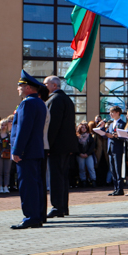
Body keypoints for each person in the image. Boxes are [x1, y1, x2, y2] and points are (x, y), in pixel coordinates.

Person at [10, 71, 48, 229]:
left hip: (26, 152)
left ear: (28, 88)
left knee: (27, 185)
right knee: (37, 184)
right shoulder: (39, 103)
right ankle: (38, 216)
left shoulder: (27, 103)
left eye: (20, 86)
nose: (18, 89)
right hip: (36, 150)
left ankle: (31, 217)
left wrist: (17, 150)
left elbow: (23, 130)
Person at [44, 76, 79, 218]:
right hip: (66, 146)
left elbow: (53, 125)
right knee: (62, 177)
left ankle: (57, 206)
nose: (44, 86)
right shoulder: (67, 100)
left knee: (56, 177)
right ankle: (63, 206)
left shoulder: (55, 100)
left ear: (54, 85)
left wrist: (47, 144)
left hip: (57, 146)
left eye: (46, 84)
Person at [105, 106, 127, 196]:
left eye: (112, 112)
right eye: (110, 113)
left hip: (118, 149)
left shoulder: (122, 123)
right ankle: (115, 188)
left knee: (118, 169)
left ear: (118, 113)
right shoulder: (110, 124)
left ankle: (120, 188)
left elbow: (124, 136)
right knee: (112, 169)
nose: (111, 114)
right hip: (111, 148)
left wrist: (115, 136)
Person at [0, 119, 13, 193]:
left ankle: (6, 186)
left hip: (8, 154)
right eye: (2, 125)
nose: (3, 127)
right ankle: (0, 186)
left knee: (7, 171)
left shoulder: (9, 135)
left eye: (5, 125)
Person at [76, 122, 96, 187]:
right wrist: (79, 153)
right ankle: (83, 180)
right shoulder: (77, 137)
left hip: (88, 155)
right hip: (80, 155)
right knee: (81, 168)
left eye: (85, 127)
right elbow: (75, 146)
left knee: (91, 167)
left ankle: (93, 180)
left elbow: (92, 146)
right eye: (82, 127)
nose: (83, 128)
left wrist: (87, 153)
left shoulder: (89, 136)